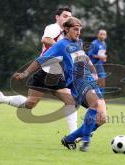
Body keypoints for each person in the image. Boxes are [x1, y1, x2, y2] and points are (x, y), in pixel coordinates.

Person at [13, 17, 107, 152]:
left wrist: (93, 72)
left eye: (80, 30)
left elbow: (85, 58)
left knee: (102, 118)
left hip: (89, 79)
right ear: (66, 29)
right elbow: (40, 60)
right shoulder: (60, 45)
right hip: (77, 81)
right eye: (75, 29)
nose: (79, 32)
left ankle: (70, 138)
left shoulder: (78, 43)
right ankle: (86, 140)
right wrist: (25, 73)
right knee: (95, 105)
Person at [0, 7, 78, 134]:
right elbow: (45, 40)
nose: (67, 18)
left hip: (57, 73)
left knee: (70, 102)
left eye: (69, 16)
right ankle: (1, 99)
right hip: (47, 71)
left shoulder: (68, 34)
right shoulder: (54, 28)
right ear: (57, 17)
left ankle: (74, 135)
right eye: (65, 15)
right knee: (30, 104)